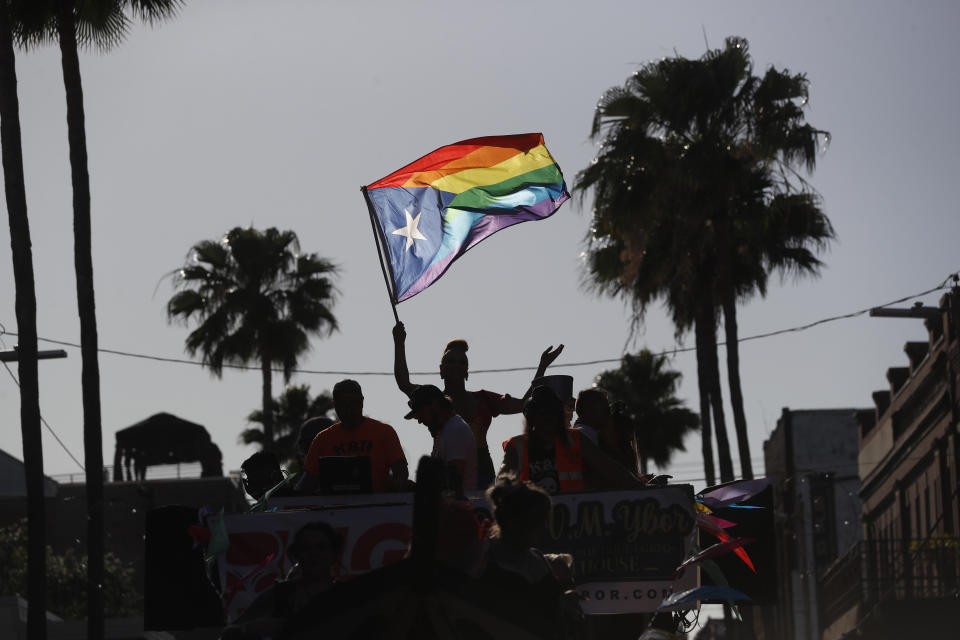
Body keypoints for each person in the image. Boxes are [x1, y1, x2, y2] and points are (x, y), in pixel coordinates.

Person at [393, 321, 563, 488]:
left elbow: (524, 404)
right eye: (451, 361)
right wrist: (399, 342)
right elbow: (403, 383)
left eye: (462, 362)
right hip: (445, 471)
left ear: (467, 370)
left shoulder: (484, 399)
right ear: (441, 369)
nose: (457, 365)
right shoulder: (433, 400)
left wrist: (542, 366)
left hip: (482, 474)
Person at [474, 475, 583, 639]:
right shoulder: (484, 564)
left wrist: (566, 600)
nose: (545, 527)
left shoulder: (535, 559)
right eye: (539, 521)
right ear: (516, 523)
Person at [500, 385, 643, 493]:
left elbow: (610, 469)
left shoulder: (576, 438)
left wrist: (641, 486)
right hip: (535, 521)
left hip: (576, 523)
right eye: (542, 413)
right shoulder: (516, 445)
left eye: (553, 412)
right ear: (531, 417)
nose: (549, 418)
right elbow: (501, 485)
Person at [221, 521, 342, 639]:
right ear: (297, 555)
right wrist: (249, 629)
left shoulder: (347, 595)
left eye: (321, 547)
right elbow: (227, 633)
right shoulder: (280, 594)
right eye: (305, 548)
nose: (313, 553)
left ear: (334, 554)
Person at [301, 379, 408, 493]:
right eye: (344, 405)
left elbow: (401, 472)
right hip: (335, 508)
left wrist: (393, 493)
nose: (349, 410)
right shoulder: (322, 439)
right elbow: (308, 482)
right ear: (335, 406)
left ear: (362, 402)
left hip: (377, 506)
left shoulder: (384, 432)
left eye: (354, 403)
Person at [405, 384, 478, 492]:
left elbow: (454, 479)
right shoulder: (445, 431)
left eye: (421, 413)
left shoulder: (455, 430)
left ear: (435, 405)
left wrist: (419, 488)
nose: (420, 420)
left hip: (457, 506)